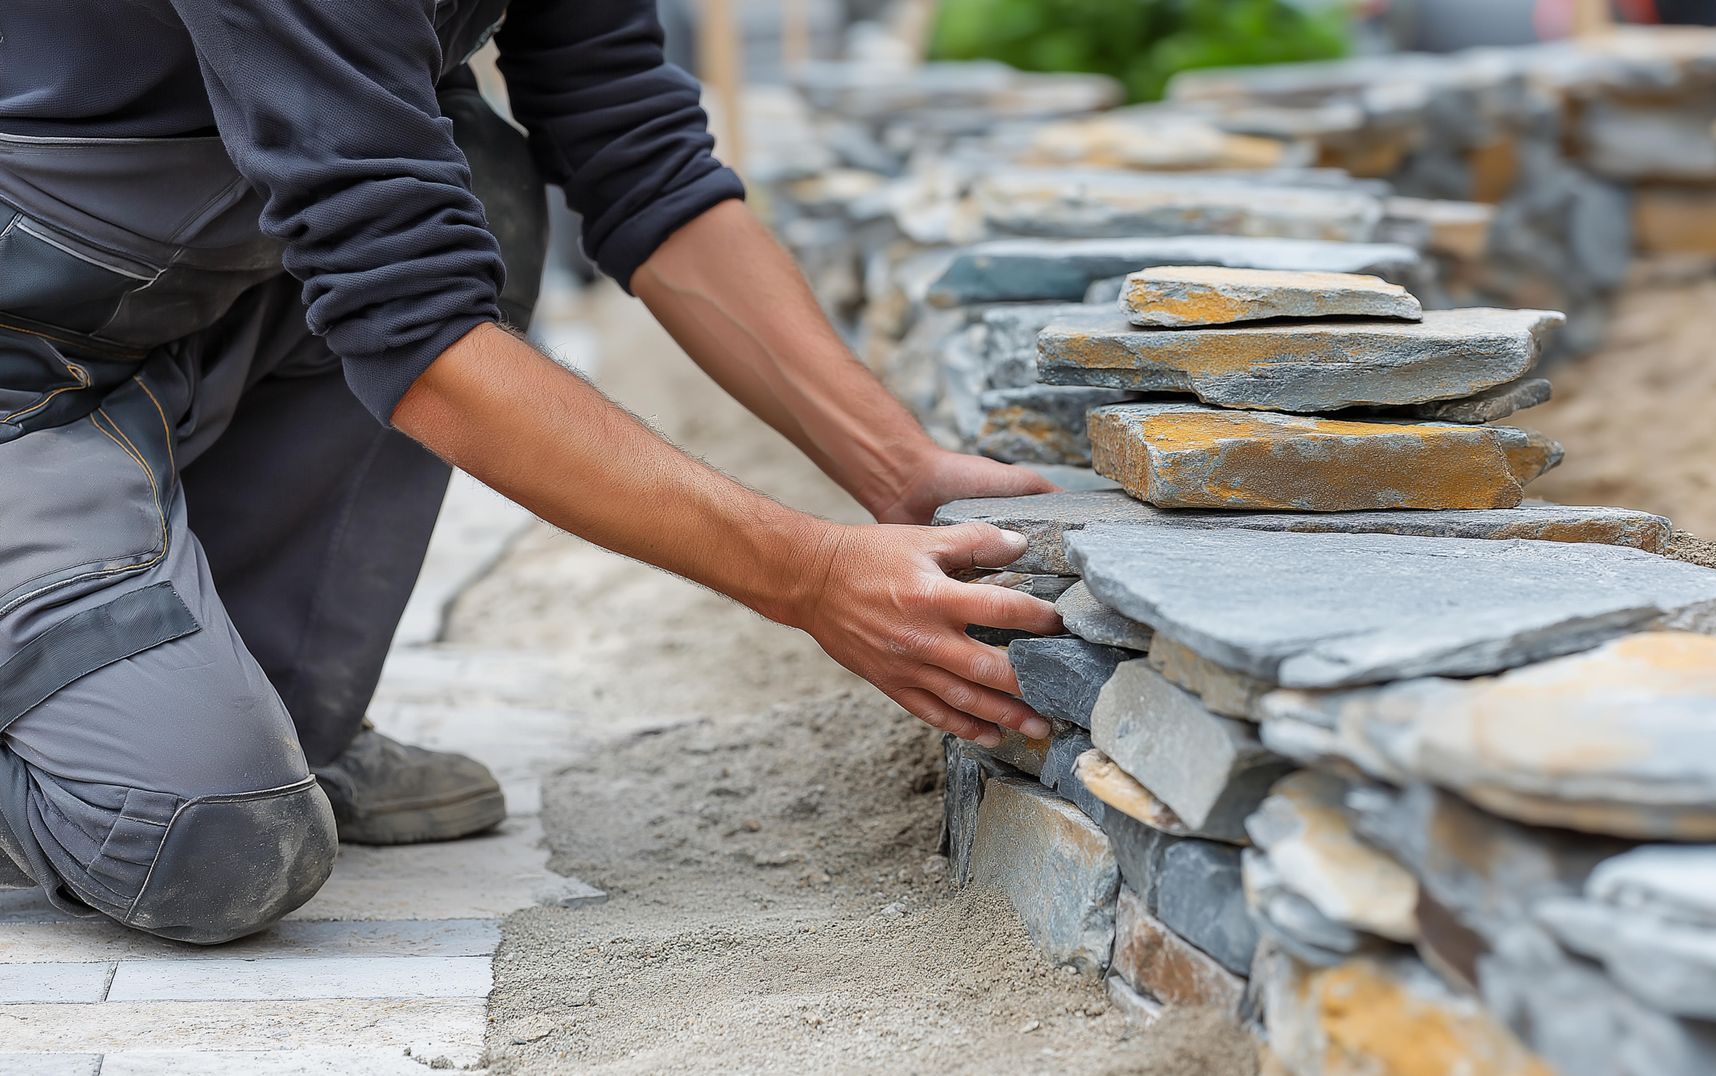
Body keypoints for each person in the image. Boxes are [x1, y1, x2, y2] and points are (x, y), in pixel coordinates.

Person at [0, 0, 1060, 945]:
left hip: (166, 324)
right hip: (22, 370)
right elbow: (413, 323)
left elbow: (635, 148)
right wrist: (813, 576)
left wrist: (901, 468)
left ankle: (271, 709)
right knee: (211, 838)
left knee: (476, 179)